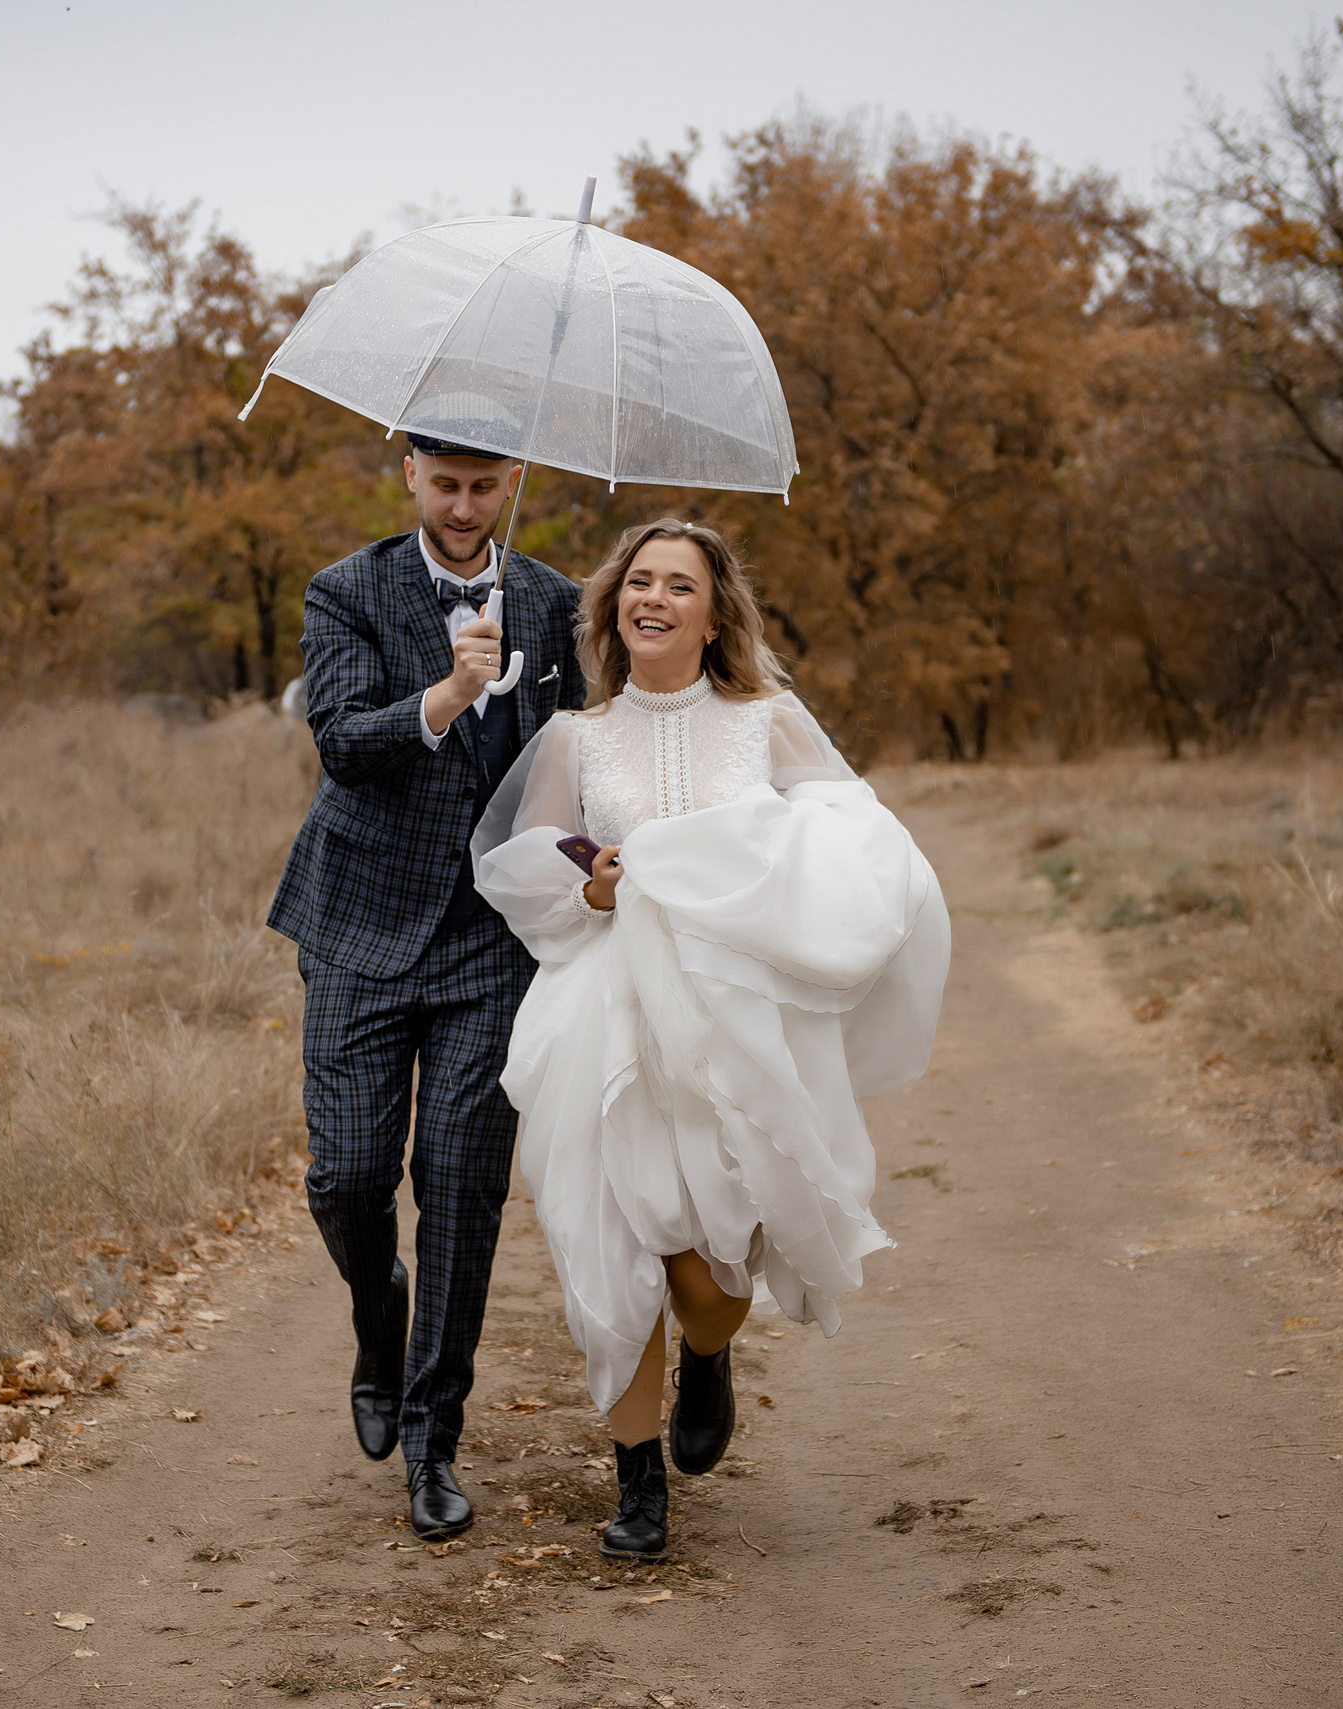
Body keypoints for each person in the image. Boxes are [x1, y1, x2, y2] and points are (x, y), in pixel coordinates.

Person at [471, 519, 949, 1561]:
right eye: (637, 581)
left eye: (677, 585)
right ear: (613, 607)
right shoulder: (572, 739)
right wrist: (587, 882)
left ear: (713, 611)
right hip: (605, 1009)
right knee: (608, 1236)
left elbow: (854, 838)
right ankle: (636, 1480)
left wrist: (752, 867)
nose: (652, 597)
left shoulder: (767, 722)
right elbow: (526, 868)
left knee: (708, 1267)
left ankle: (708, 1348)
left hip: (733, 1014)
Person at [268, 433, 587, 1540]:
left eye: (483, 485)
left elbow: (583, 757)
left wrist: (603, 857)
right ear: (409, 475)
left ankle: (431, 1438)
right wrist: (452, 689)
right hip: (360, 921)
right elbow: (344, 742)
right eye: (443, 484)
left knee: (459, 1184)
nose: (462, 506)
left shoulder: (553, 603)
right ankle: (375, 1310)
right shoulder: (346, 591)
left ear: (511, 483)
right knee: (350, 1175)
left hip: (493, 938)